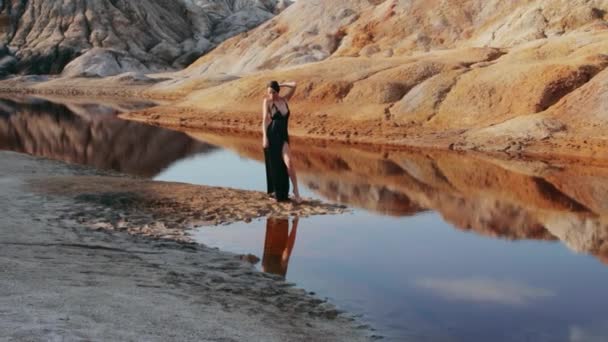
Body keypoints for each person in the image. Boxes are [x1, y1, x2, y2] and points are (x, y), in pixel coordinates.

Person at [262, 80, 301, 202]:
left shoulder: (284, 100)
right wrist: (265, 137)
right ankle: (278, 193)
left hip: (283, 136)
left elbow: (294, 85)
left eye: (273, 92)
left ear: (278, 91)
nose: (271, 95)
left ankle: (296, 192)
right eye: (269, 92)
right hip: (272, 135)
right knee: (275, 166)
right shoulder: (267, 102)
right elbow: (264, 120)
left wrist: (282, 84)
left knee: (289, 163)